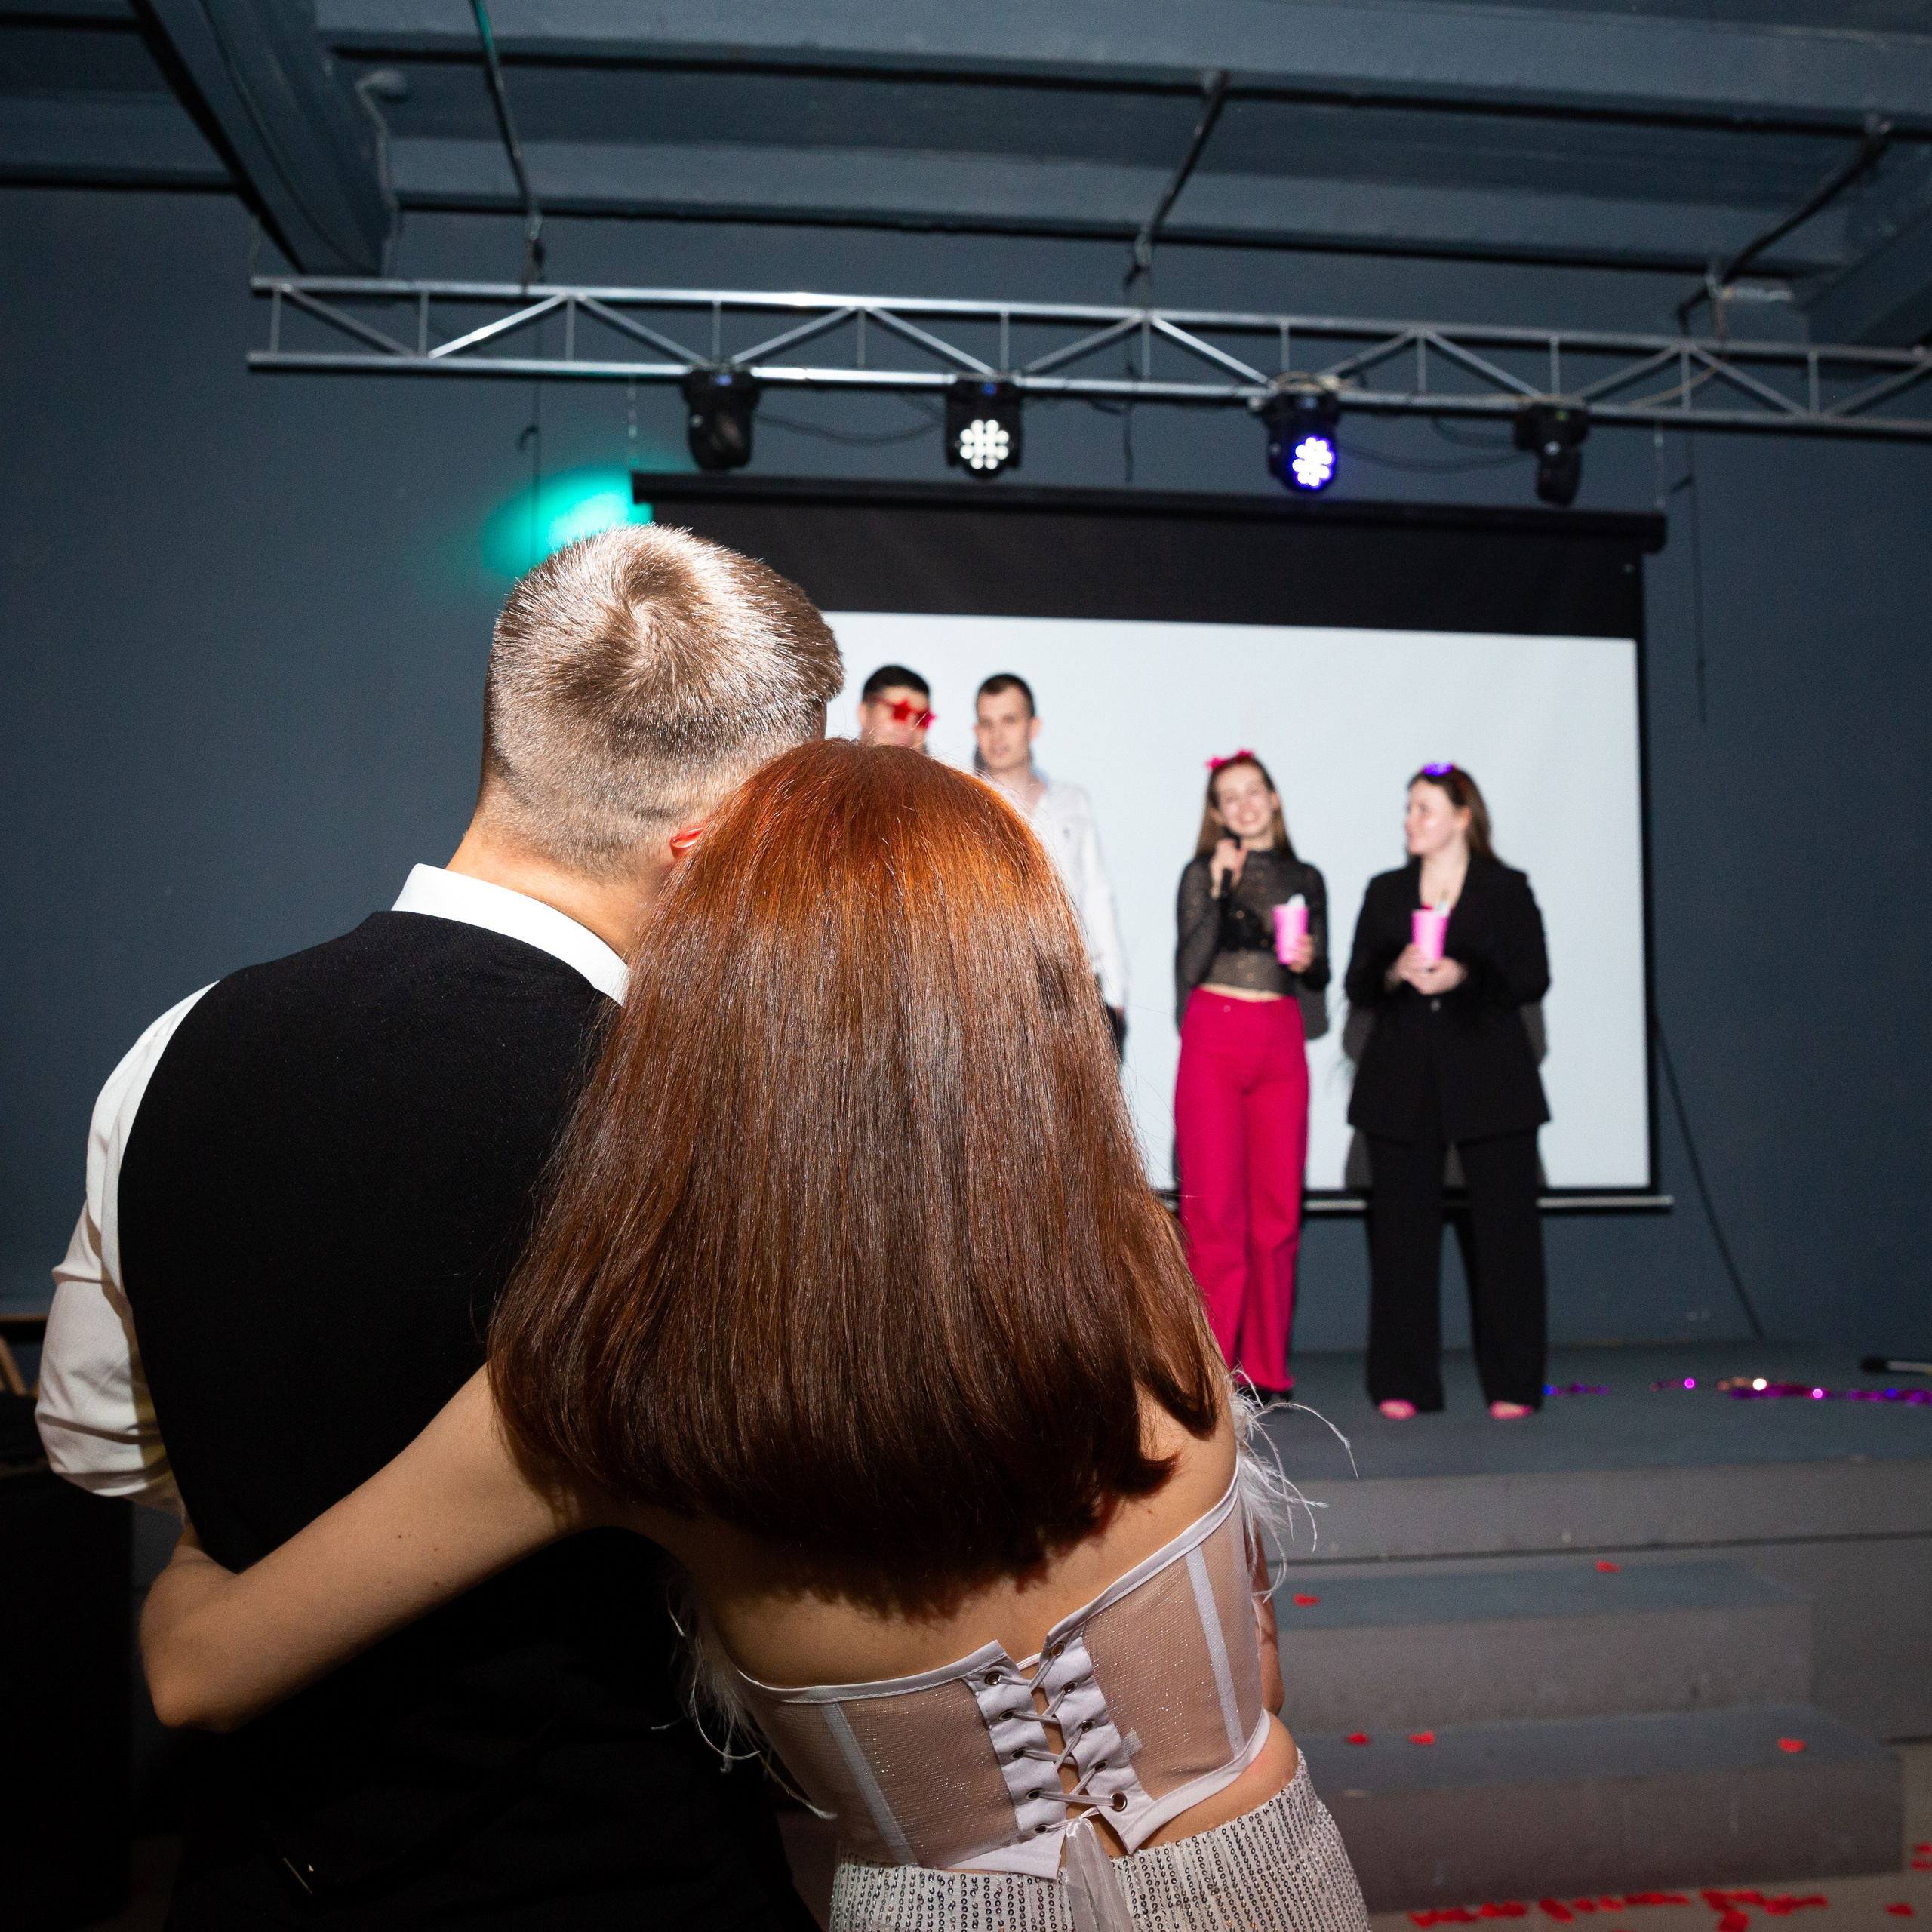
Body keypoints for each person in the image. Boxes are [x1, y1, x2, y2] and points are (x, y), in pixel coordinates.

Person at [138, 741, 1371, 1932]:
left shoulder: (614, 1384)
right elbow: (1253, 1683)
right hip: (1273, 1889)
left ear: (719, 1014)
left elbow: (196, 1673)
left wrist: (203, 1502)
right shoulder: (1138, 1284)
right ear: (1031, 991)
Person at [35, 523, 842, 1928]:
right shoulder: (707, 1136)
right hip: (619, 1882)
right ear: (709, 842)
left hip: (258, 1878)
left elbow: (100, 1447)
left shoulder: (175, 1047)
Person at [1342, 762, 1551, 1423]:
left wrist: (1464, 971)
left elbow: (1532, 975)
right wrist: (1394, 970)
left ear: (1463, 816)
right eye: (1408, 809)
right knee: (1402, 1238)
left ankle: (1514, 1381)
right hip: (1402, 1082)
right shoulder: (1386, 890)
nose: (1411, 820)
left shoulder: (1505, 888)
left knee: (1505, 1237)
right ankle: (1404, 1380)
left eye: (1424, 808)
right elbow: (1356, 981)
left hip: (1492, 1082)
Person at [1174, 753, 1329, 1401]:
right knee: (1216, 1216)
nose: (1243, 804)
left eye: (1252, 791)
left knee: (1276, 1216)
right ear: (1216, 814)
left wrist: (1311, 955)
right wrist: (1216, 886)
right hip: (1213, 1035)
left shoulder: (1305, 876)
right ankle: (1214, 1369)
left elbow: (1318, 976)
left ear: (1273, 798)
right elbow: (1188, 966)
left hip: (1280, 1040)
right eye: (1228, 797)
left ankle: (1266, 1371)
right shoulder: (1201, 873)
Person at [973, 672, 1129, 1055]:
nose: (998, 735)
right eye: (987, 723)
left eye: (1009, 720)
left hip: (1075, 988)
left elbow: (1096, 895)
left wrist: (1116, 993)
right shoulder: (965, 804)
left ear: (1033, 726)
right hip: (996, 993)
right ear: (976, 730)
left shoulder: (1072, 801)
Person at [855, 662, 934, 750]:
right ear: (864, 713)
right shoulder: (837, 763)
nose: (910, 728)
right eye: (900, 712)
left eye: (921, 719)